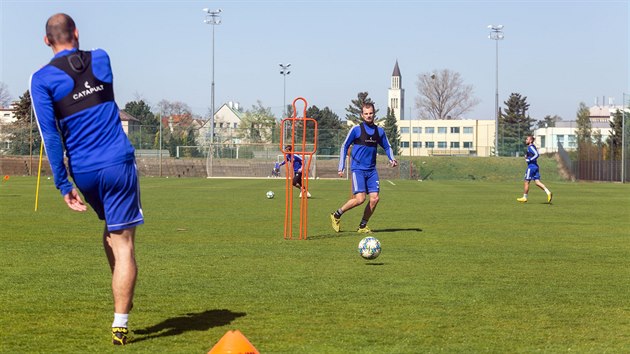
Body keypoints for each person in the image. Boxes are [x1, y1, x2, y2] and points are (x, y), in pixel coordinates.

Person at [31, 13, 143, 345]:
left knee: (110, 234)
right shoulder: (102, 59)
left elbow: (50, 138)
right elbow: (88, 72)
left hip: (84, 171)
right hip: (117, 163)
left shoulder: (41, 80)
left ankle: (122, 294)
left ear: (46, 40)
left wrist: (63, 184)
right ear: (76, 33)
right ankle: (120, 320)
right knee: (124, 245)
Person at [330, 102, 397, 233]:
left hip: (372, 170)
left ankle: (362, 226)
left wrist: (392, 158)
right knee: (360, 199)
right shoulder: (356, 130)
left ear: (374, 114)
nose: (368, 116)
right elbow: (344, 146)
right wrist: (341, 166)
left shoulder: (379, 131)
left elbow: (387, 146)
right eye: (366, 114)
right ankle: (336, 214)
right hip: (358, 169)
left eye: (370, 113)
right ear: (362, 115)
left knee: (375, 198)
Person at [517, 135, 552, 203]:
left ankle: (525, 197)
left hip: (531, 167)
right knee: (537, 182)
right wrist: (527, 156)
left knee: (526, 182)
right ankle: (548, 193)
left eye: (527, 139)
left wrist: (529, 159)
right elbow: (532, 155)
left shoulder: (530, 147)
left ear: (530, 140)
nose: (526, 140)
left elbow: (537, 154)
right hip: (535, 166)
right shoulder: (531, 147)